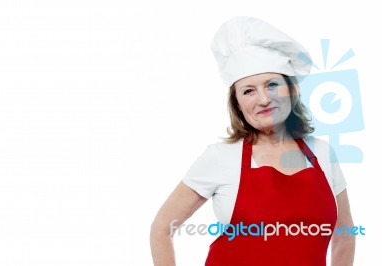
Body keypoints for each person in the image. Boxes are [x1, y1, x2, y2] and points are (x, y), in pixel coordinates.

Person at [150, 17, 355, 266]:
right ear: (237, 102)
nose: (264, 99)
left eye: (272, 85)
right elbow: (162, 227)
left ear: (290, 90)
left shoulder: (322, 152)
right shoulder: (220, 157)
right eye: (249, 90)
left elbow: (344, 236)